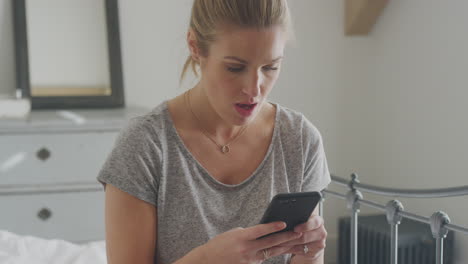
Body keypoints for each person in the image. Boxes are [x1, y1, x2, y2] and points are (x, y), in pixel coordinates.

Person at [97, 0, 331, 263]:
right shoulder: (145, 145)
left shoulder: (299, 140)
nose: (254, 89)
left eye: (270, 67)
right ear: (195, 46)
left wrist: (313, 251)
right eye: (235, 67)